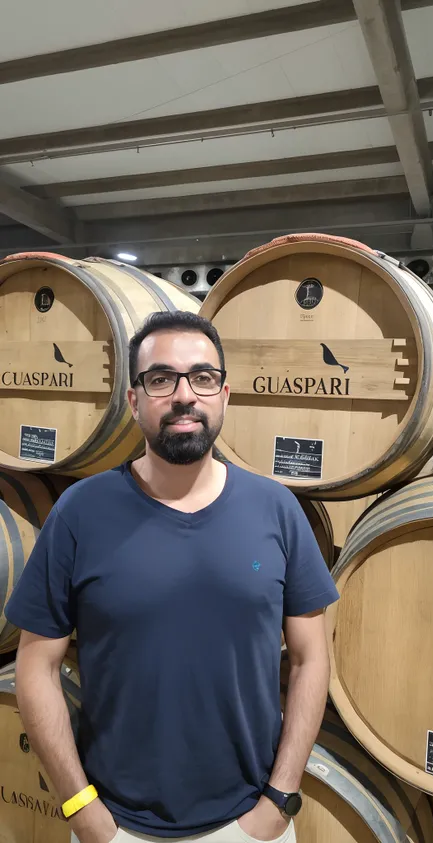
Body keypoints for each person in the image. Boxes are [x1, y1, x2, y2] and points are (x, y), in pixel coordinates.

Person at [5, 311, 339, 843]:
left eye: (202, 377)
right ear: (135, 400)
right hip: (114, 824)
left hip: (250, 822)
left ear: (225, 394)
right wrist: (79, 807)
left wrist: (280, 797)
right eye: (161, 378)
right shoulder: (80, 511)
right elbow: (36, 666)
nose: (184, 394)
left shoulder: (275, 509)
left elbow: (309, 657)